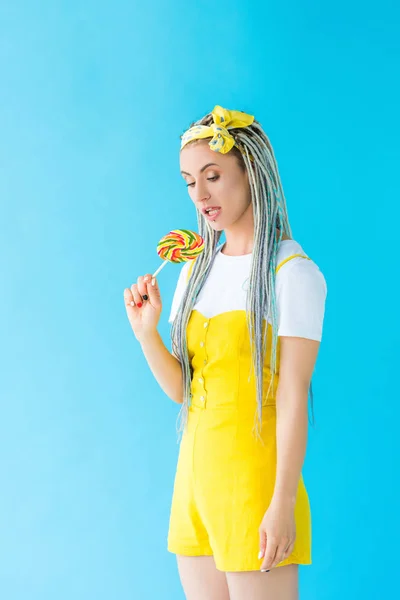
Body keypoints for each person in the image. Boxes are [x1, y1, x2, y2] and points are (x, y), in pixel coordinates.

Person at [123, 105, 327, 600]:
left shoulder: (293, 274)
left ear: (250, 173)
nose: (201, 195)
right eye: (190, 181)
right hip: (194, 483)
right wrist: (146, 333)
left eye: (212, 176)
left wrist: (281, 502)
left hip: (253, 485)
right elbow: (182, 392)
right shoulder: (195, 270)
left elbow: (295, 398)